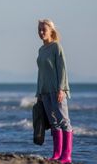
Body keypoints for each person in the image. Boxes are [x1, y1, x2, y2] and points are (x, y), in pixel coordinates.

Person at [36, 19, 73, 163]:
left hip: (57, 90)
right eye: (39, 30)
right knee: (54, 123)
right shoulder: (41, 49)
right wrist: (38, 92)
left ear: (51, 30)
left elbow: (62, 69)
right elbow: (41, 73)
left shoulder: (56, 47)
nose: (41, 32)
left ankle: (67, 156)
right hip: (44, 91)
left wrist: (62, 89)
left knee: (64, 122)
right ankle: (57, 154)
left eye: (43, 29)